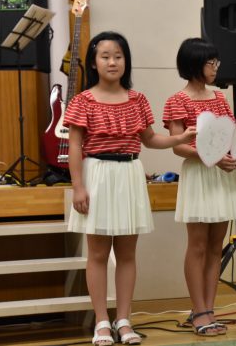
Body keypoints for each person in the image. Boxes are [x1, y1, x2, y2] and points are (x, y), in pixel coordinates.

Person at [65, 31, 196, 346]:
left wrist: (178, 138)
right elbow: (75, 147)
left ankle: (124, 320)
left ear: (126, 61)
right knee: (98, 253)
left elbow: (149, 139)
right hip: (97, 174)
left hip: (129, 173)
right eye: (105, 56)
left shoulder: (137, 99)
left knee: (126, 254)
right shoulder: (82, 100)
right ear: (94, 62)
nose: (112, 62)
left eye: (118, 56)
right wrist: (78, 187)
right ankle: (101, 322)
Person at [162, 38, 236, 336]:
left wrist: (235, 153)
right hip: (200, 173)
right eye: (211, 63)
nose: (216, 68)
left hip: (221, 174)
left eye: (216, 62)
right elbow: (177, 146)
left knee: (215, 247)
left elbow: (229, 134)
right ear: (194, 64)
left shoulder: (219, 98)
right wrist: (210, 156)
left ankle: (210, 310)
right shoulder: (177, 100)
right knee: (197, 246)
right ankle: (198, 311)